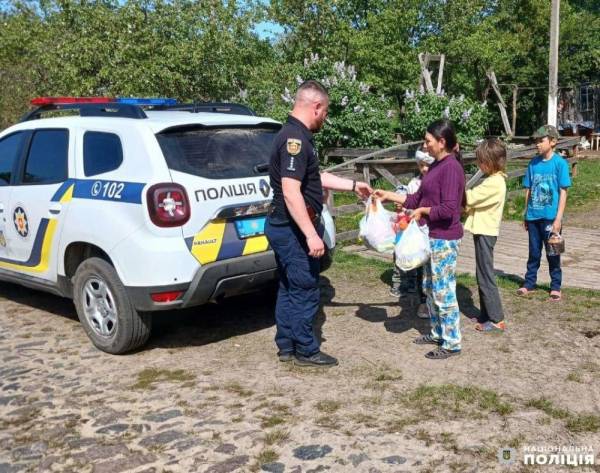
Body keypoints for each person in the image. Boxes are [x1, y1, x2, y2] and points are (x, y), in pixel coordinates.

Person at [265, 80, 372, 367]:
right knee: (304, 288)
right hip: (292, 230)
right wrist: (311, 235)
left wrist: (353, 185)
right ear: (316, 106)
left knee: (289, 287)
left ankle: (286, 345)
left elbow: (316, 178)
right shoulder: (294, 141)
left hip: (285, 227)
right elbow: (290, 190)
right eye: (325, 111)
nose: (326, 117)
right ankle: (305, 350)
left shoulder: (296, 136)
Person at [374, 119, 465, 360]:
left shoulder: (451, 169)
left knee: (444, 290)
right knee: (430, 287)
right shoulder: (435, 166)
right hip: (430, 237)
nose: (425, 146)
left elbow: (449, 209)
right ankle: (437, 332)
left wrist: (423, 212)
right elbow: (416, 198)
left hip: (445, 239)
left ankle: (452, 341)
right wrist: (388, 195)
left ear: (442, 142)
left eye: (428, 141)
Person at [518, 125, 571, 301]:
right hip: (533, 216)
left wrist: (559, 218)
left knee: (553, 253)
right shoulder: (533, 164)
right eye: (536, 141)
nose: (538, 144)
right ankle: (529, 283)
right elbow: (529, 190)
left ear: (553, 141)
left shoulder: (560, 164)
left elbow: (563, 191)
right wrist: (525, 213)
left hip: (551, 218)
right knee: (534, 252)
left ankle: (555, 286)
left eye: (541, 141)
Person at [464, 139, 507, 332]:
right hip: (482, 231)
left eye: (481, 161)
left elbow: (471, 197)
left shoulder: (495, 182)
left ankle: (497, 319)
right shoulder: (493, 180)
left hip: (486, 233)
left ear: (490, 162)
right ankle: (485, 314)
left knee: (485, 275)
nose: (478, 165)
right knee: (481, 273)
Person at [390, 151, 433, 320]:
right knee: (420, 267)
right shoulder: (414, 183)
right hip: (418, 232)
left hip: (433, 231)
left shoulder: (438, 182)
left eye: (427, 165)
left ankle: (432, 300)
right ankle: (422, 301)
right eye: (421, 165)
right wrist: (403, 209)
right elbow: (409, 204)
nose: (424, 169)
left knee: (432, 270)